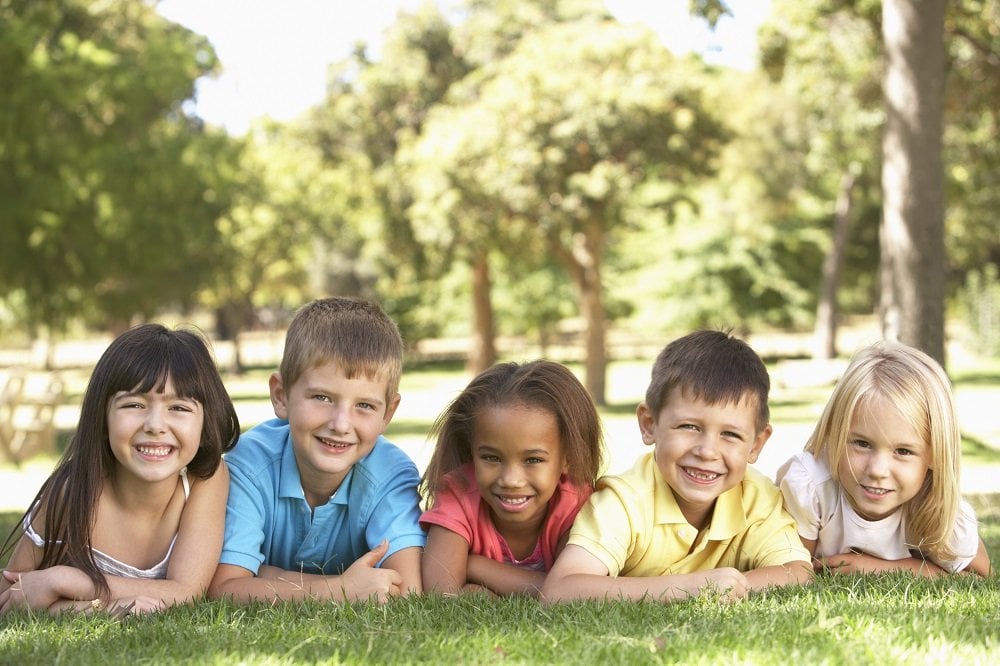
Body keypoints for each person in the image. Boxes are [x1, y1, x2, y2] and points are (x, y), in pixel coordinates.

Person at [542, 330, 812, 604]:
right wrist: (691, 587)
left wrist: (732, 585)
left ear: (756, 444)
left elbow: (798, 572)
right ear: (649, 424)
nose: (707, 451)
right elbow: (560, 589)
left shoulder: (756, 497)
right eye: (689, 426)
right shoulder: (624, 502)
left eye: (730, 434)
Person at [0, 324, 239, 616]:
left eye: (179, 408)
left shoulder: (205, 480)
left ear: (205, 424)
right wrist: (103, 608)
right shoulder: (71, 493)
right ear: (102, 418)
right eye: (134, 404)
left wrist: (68, 581)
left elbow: (186, 591)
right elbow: (13, 595)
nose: (155, 425)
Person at [208, 297, 425, 604]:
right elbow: (225, 587)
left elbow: (406, 588)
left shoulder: (391, 474)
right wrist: (340, 589)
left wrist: (267, 574)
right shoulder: (249, 465)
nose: (340, 424)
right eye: (322, 398)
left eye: (364, 405)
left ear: (387, 413)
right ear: (281, 395)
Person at [776, 341, 991, 577]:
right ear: (834, 433)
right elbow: (793, 571)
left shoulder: (938, 509)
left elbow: (979, 576)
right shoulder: (811, 485)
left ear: (935, 456)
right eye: (862, 443)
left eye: (903, 451)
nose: (878, 470)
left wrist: (873, 568)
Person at [419, 360, 604, 597]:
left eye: (533, 460)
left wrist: (476, 566)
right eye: (491, 458)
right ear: (471, 450)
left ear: (568, 458)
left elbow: (570, 591)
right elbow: (441, 593)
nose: (510, 480)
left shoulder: (574, 503)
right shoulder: (458, 492)